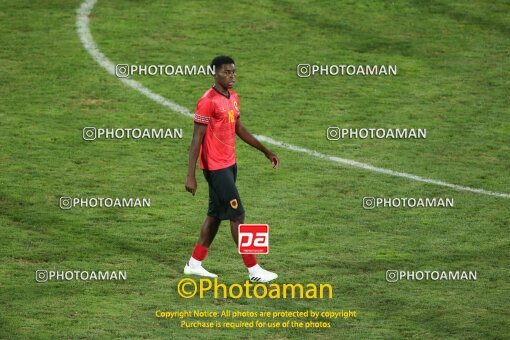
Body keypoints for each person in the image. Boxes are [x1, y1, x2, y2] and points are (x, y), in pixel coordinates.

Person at [184, 55, 279, 283]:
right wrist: (191, 175)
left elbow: (239, 128)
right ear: (214, 74)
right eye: (226, 72)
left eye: (233, 72)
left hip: (229, 165)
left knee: (215, 215)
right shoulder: (207, 101)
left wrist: (266, 151)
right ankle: (254, 270)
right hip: (215, 168)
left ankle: (194, 264)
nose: (231, 76)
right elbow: (196, 139)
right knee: (237, 214)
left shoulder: (233, 97)